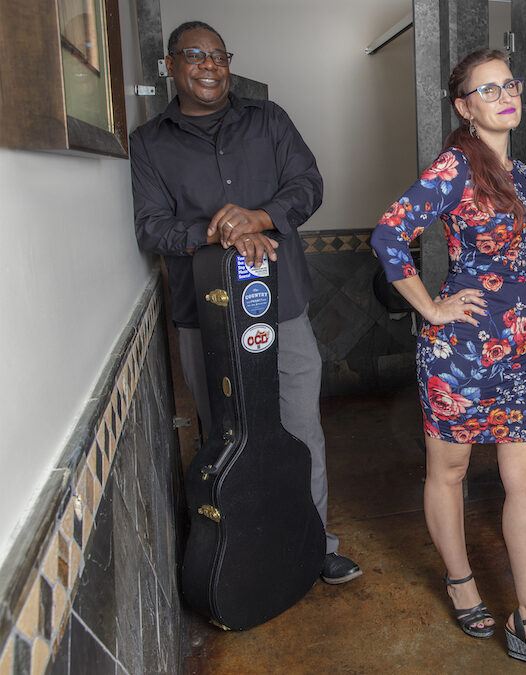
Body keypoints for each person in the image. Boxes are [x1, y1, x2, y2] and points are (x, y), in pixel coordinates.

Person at [130, 20, 360, 585]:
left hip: (284, 311)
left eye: (219, 55)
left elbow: (308, 186)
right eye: (195, 55)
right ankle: (247, 555)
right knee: (225, 437)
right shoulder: (149, 144)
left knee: (302, 431)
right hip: (203, 319)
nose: (210, 65)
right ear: (169, 66)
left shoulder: (269, 120)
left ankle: (314, 546)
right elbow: (152, 229)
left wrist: (260, 218)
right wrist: (220, 232)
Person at [371, 49, 526, 675]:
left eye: (509, 84)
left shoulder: (519, 173)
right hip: (460, 351)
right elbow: (389, 235)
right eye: (488, 90)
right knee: (452, 470)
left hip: (520, 345)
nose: (504, 96)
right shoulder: (455, 166)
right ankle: (461, 582)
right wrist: (431, 309)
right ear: (464, 107)